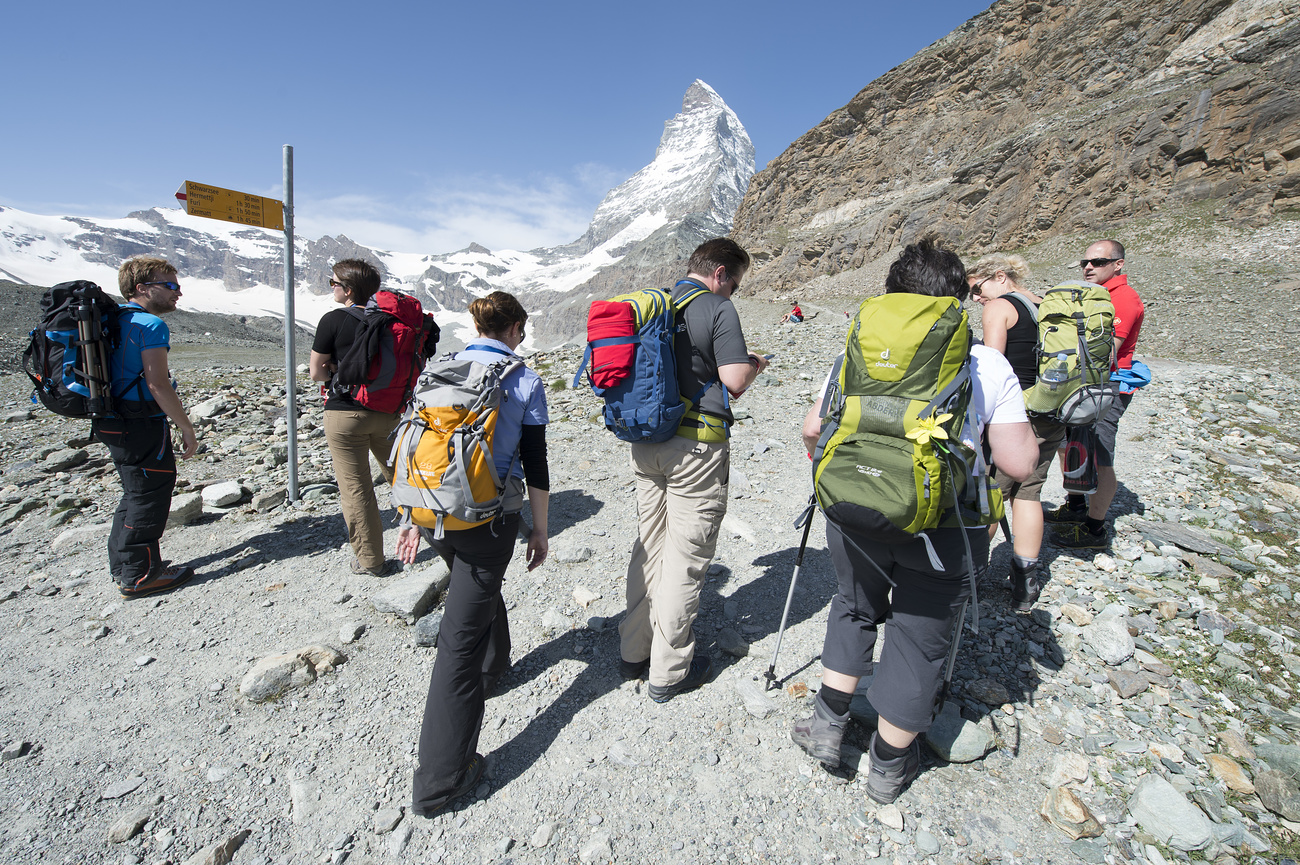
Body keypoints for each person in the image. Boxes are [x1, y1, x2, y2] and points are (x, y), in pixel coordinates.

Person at [791, 238, 1036, 803]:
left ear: (892, 297)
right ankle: (887, 767)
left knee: (853, 607)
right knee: (919, 637)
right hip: (945, 526)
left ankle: (828, 727)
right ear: (956, 300)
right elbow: (1020, 463)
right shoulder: (986, 363)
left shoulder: (855, 351)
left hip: (855, 510)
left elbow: (812, 430)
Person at [396, 291, 550, 817]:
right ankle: (440, 780)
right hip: (488, 521)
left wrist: (409, 518)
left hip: (432, 513)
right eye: (522, 330)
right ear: (513, 329)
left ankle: (495, 664)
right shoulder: (522, 380)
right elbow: (537, 466)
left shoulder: (440, 369)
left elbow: (418, 443)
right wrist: (541, 531)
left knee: (472, 588)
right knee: (455, 645)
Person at [619, 238, 768, 703]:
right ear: (721, 272)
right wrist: (756, 364)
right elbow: (735, 380)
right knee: (686, 556)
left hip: (646, 444)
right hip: (696, 448)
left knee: (651, 545)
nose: (735, 292)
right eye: (736, 284)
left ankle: (632, 650)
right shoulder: (716, 308)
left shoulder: (656, 305)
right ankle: (668, 671)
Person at [94, 256, 199, 598]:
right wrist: (185, 425)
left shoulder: (114, 321)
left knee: (134, 488)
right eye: (169, 286)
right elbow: (158, 384)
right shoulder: (151, 326)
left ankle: (124, 565)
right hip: (139, 420)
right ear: (142, 288)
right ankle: (140, 575)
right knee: (151, 491)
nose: (177, 293)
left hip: (109, 418)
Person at [965, 253, 1059, 610]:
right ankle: (1025, 586)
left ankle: (969, 575)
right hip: (1051, 412)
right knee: (1030, 493)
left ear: (1000, 276)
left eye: (977, 288)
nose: (976, 298)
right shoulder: (1045, 304)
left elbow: (991, 367)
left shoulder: (1000, 308)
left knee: (990, 495)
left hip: (1013, 415)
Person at [1046, 240, 1144, 549]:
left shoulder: (1124, 300)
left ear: (1118, 264)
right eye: (1085, 262)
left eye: (1098, 262)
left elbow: (1105, 351)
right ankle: (1076, 506)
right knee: (1070, 444)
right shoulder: (1095, 296)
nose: (1089, 267)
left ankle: (1095, 528)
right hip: (1083, 382)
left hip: (1108, 384)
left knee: (1101, 454)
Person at [309, 259, 401, 576]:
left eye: (333, 283)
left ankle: (371, 561)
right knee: (404, 478)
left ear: (348, 290)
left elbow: (316, 371)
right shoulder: (392, 319)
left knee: (356, 489)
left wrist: (337, 368)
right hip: (390, 413)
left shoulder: (333, 320)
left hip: (345, 415)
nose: (331, 287)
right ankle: (434, 534)